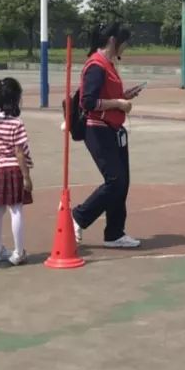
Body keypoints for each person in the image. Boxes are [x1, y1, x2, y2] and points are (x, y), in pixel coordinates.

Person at [72, 22, 143, 248]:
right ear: (114, 41)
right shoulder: (96, 65)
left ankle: (114, 232)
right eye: (124, 43)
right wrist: (119, 103)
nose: (125, 48)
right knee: (115, 180)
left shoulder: (108, 65)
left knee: (122, 182)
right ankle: (78, 217)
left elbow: (105, 96)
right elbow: (88, 102)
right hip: (97, 128)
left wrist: (123, 96)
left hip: (113, 128)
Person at [0, 78, 33, 266]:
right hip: (15, 169)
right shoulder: (17, 123)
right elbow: (19, 152)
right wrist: (26, 176)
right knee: (16, 210)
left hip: (1, 169)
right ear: (16, 98)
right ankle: (18, 251)